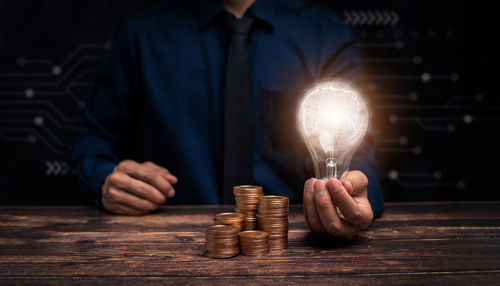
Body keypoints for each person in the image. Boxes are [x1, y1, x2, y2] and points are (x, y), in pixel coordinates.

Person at [69, 0, 384, 240]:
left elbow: (358, 152)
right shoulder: (142, 36)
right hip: (171, 244)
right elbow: (91, 137)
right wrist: (104, 180)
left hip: (291, 244)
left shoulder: (325, 35)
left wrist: (356, 193)